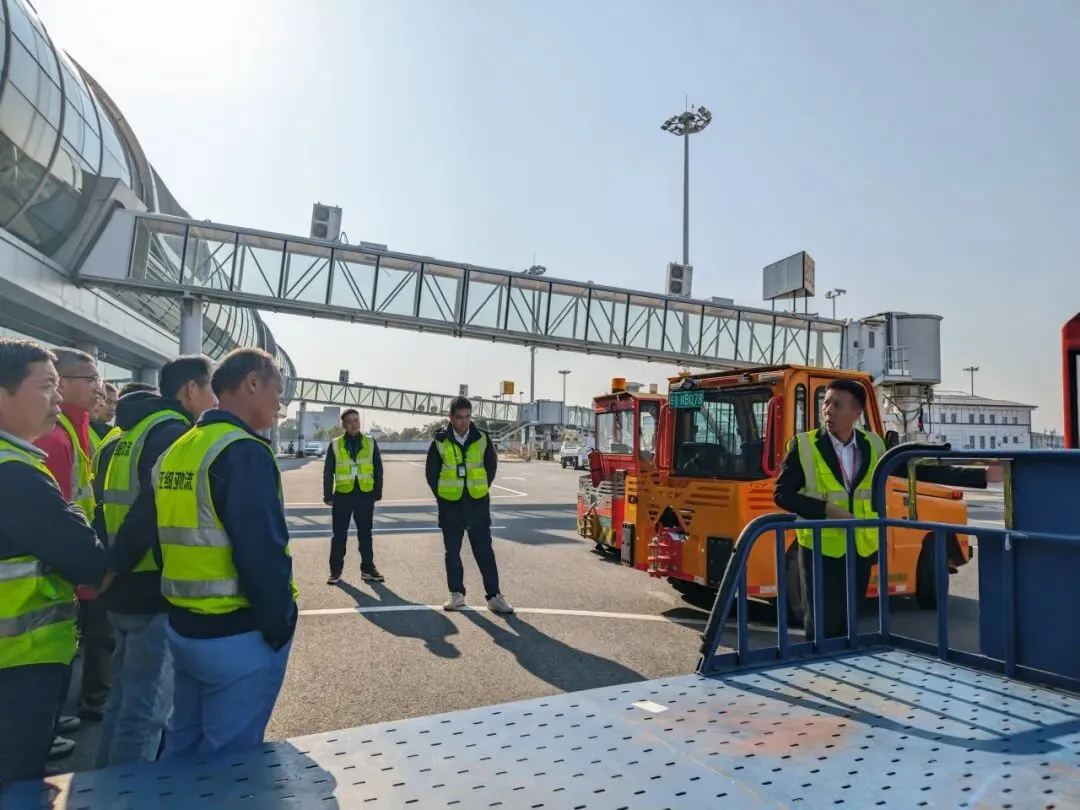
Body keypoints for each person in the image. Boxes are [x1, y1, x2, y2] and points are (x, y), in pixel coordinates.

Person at [154, 347, 297, 758]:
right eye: (278, 390)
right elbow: (262, 552)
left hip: (184, 627)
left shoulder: (182, 446)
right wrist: (280, 625)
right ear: (252, 382)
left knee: (181, 746)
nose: (280, 404)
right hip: (237, 633)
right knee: (230, 765)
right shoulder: (243, 450)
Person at [774, 377, 994, 642]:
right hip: (820, 546)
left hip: (860, 547)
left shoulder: (874, 445)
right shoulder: (804, 446)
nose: (828, 410)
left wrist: (981, 475)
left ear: (856, 412)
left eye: (837, 404)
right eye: (826, 403)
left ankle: (845, 661)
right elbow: (783, 494)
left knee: (850, 619)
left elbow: (917, 469)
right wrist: (826, 510)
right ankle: (820, 662)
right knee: (821, 622)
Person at [95, 357, 217, 767]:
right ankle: (127, 794)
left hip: (120, 587)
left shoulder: (119, 435)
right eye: (211, 388)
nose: (215, 399)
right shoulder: (174, 434)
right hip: (151, 586)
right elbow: (149, 511)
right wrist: (118, 563)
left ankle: (102, 787)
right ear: (191, 389)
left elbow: (100, 506)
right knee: (146, 714)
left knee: (121, 702)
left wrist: (107, 567)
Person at [0, 339, 108, 788]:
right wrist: (79, 520)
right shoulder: (13, 473)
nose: (57, 399)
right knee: (18, 783)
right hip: (18, 664)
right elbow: (87, 559)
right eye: (46, 386)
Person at [32, 347, 106, 750]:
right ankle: (41, 732)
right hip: (56, 574)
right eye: (89, 379)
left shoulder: (76, 430)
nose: (98, 388)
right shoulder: (53, 435)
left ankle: (47, 721)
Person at [425, 397, 513, 614]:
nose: (464, 422)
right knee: (452, 552)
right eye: (459, 417)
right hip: (450, 505)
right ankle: (456, 594)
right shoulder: (440, 441)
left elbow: (491, 468)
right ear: (450, 417)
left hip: (477, 503)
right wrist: (443, 496)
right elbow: (431, 473)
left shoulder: (482, 438)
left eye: (467, 417)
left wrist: (479, 490)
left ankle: (494, 596)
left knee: (484, 550)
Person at [323, 408, 384, 585]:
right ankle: (335, 571)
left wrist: (377, 491)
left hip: (365, 494)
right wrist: (328, 495)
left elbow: (378, 468)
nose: (354, 424)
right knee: (339, 535)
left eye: (356, 420)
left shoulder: (370, 442)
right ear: (343, 425)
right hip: (343, 495)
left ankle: (368, 569)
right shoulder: (335, 444)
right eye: (349, 421)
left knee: (365, 534)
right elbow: (328, 471)